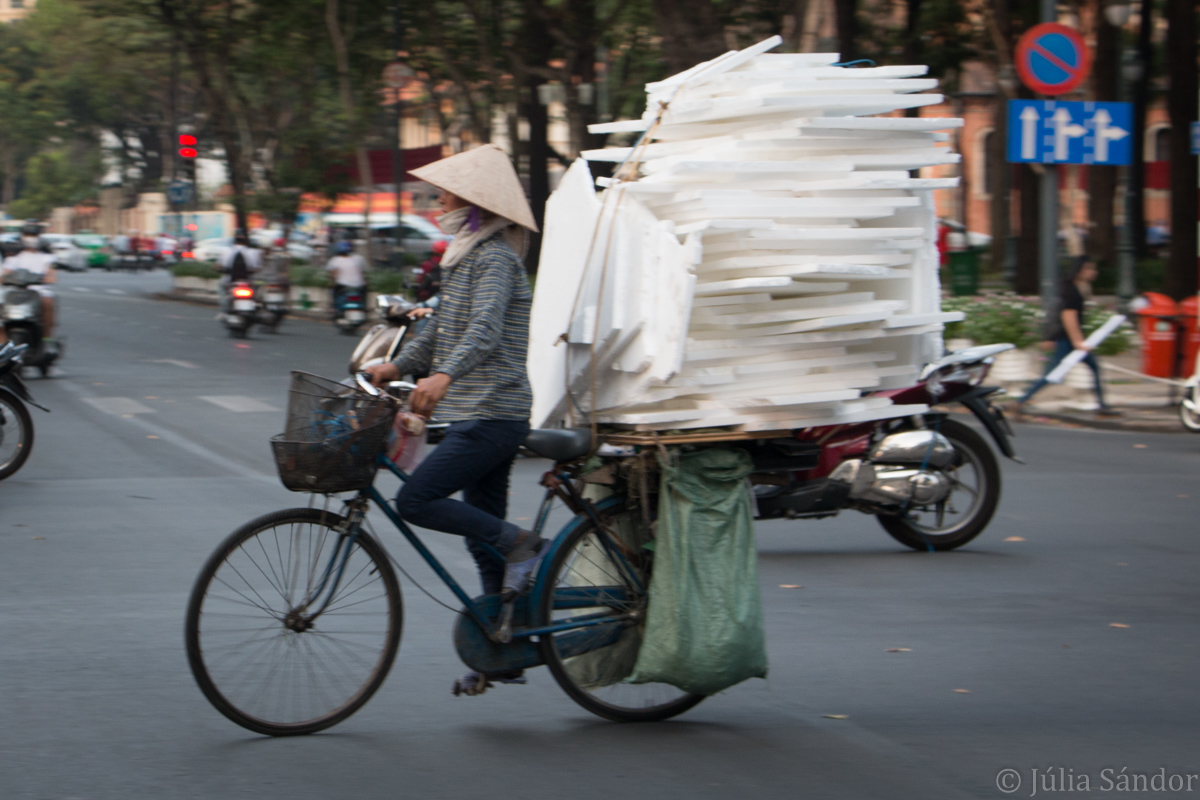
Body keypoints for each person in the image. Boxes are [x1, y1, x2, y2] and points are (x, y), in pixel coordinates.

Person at [363, 144, 540, 698]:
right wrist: (400, 363)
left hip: (496, 411)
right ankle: (504, 647)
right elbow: (440, 330)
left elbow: (483, 331)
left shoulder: (496, 260)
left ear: (473, 203)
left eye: (447, 192)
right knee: (481, 539)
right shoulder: (465, 256)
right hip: (474, 413)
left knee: (416, 501)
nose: (438, 199)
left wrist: (443, 377)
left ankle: (523, 545)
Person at [1018, 258, 1119, 416]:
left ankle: (1102, 405)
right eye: (1090, 269)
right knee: (1052, 375)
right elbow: (1068, 316)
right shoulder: (1073, 291)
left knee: (1092, 368)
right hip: (1066, 340)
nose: (1094, 272)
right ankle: (1019, 401)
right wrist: (1078, 342)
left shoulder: (1079, 288)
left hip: (1068, 339)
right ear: (1080, 271)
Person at [1, 224, 57, 342]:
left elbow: (51, 276)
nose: (30, 238)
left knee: (48, 302)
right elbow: (5, 274)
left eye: (33, 235)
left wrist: (48, 278)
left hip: (38, 291)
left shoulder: (46, 257)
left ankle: (47, 337)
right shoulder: (14, 258)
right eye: (28, 235)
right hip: (16, 292)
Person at [218, 231, 260, 312]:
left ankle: (224, 307)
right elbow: (257, 267)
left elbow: (219, 266)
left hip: (230, 280)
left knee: (221, 286)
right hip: (248, 279)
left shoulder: (227, 252)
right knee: (257, 288)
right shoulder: (252, 252)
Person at [325, 240, 366, 319]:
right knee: (364, 295)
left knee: (333, 293)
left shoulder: (335, 260)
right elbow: (364, 273)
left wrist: (331, 283)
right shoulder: (358, 259)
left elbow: (332, 275)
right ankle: (364, 309)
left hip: (343, 286)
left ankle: (334, 309)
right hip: (360, 285)